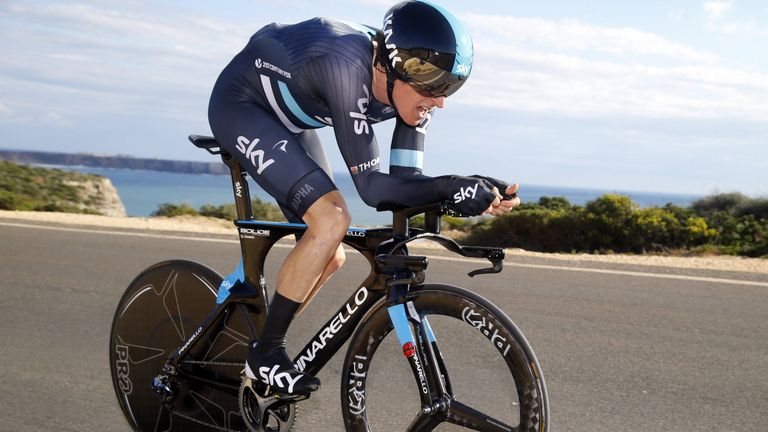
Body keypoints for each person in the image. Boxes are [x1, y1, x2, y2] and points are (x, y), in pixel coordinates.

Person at [208, 0, 521, 395]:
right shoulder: (345, 66)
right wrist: (450, 185)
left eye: (450, 87)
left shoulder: (414, 89)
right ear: (392, 67)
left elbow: (405, 183)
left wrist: (471, 187)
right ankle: (265, 354)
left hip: (293, 118)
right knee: (331, 220)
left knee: (330, 251)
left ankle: (250, 346)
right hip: (241, 104)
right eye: (432, 86)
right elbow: (373, 188)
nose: (440, 100)